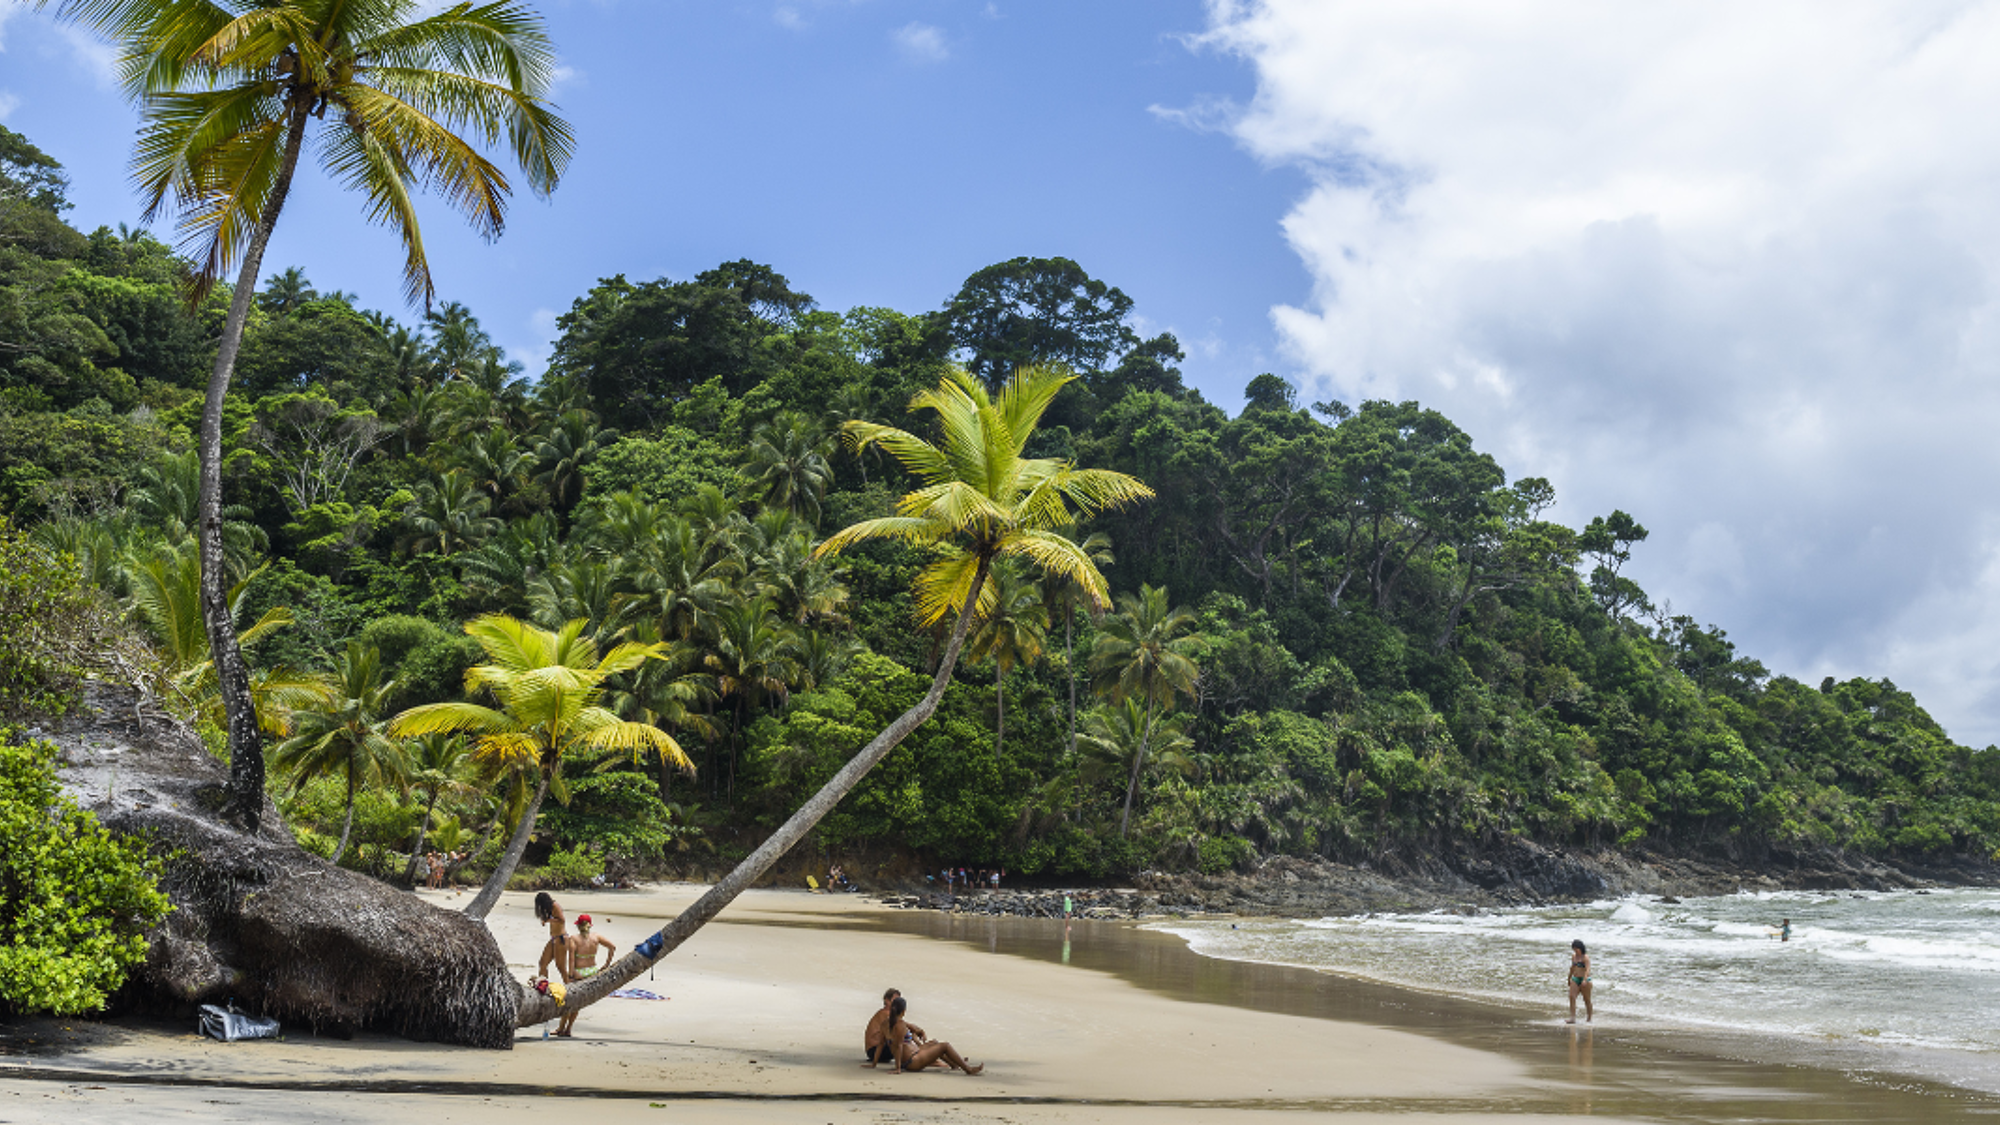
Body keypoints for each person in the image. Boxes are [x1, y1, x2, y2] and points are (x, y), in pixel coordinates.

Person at [553, 914, 617, 1038]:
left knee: (568, 1001)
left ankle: (561, 1028)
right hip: (592, 971)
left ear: (577, 925)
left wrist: (571, 975)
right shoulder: (596, 937)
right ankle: (568, 1029)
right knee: (578, 1003)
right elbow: (612, 947)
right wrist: (606, 965)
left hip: (579, 972)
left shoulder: (574, 938)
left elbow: (571, 959)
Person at [887, 996, 982, 1075]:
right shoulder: (900, 1025)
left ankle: (954, 1064)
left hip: (911, 1057)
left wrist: (873, 1064)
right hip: (912, 1061)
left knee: (935, 1043)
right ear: (904, 1011)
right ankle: (968, 1069)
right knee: (945, 1046)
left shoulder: (887, 1023)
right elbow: (899, 1046)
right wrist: (898, 1068)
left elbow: (883, 1043)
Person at [864, 988, 915, 1066]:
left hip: (878, 1049)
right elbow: (906, 1026)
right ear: (886, 1000)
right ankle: (918, 1056)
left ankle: (919, 1055)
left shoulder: (889, 1014)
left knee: (907, 1035)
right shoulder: (884, 1013)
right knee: (906, 1038)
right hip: (873, 1050)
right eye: (894, 1000)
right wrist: (919, 1031)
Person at [1565, 939, 1593, 1024]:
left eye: (1577, 949)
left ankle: (1589, 1018)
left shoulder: (1585, 957)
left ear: (1581, 948)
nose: (1575, 951)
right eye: (1574, 949)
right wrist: (1569, 978)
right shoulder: (1574, 956)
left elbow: (1587, 969)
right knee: (1571, 996)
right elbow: (1572, 968)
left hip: (1585, 979)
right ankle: (1572, 1018)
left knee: (1586, 999)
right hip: (1575, 978)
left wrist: (1584, 980)